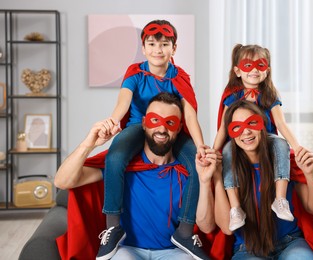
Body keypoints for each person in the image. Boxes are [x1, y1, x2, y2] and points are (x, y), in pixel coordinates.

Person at [54, 93, 214, 260]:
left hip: (174, 252)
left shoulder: (188, 170)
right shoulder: (121, 166)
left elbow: (207, 227)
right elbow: (62, 181)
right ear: (144, 123)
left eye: (170, 122)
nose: (161, 129)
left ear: (179, 128)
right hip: (127, 251)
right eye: (154, 120)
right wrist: (89, 144)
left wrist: (204, 181)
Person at [96, 20, 207, 259]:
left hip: (172, 130)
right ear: (144, 48)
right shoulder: (135, 73)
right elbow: (122, 103)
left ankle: (185, 230)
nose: (158, 49)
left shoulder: (179, 77)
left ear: (174, 49)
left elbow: (189, 113)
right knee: (114, 158)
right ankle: (113, 225)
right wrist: (113, 122)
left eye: (164, 44)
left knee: (198, 165)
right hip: (139, 126)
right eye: (152, 44)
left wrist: (200, 146)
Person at [212, 100, 313, 259]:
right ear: (230, 132)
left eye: (252, 123)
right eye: (237, 127)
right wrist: (217, 178)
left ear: (263, 125)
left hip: (290, 242)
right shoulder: (227, 170)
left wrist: (309, 173)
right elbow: (226, 228)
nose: (246, 132)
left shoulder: (285, 162)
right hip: (248, 248)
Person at [213, 44, 301, 231]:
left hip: (266, 139)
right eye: (247, 65)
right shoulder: (233, 96)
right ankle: (236, 208)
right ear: (237, 71)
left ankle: (280, 199)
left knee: (280, 143)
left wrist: (296, 146)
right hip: (238, 142)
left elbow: (281, 124)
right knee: (229, 150)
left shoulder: (269, 95)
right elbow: (223, 127)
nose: (254, 70)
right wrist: (214, 152)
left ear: (267, 70)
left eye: (260, 65)